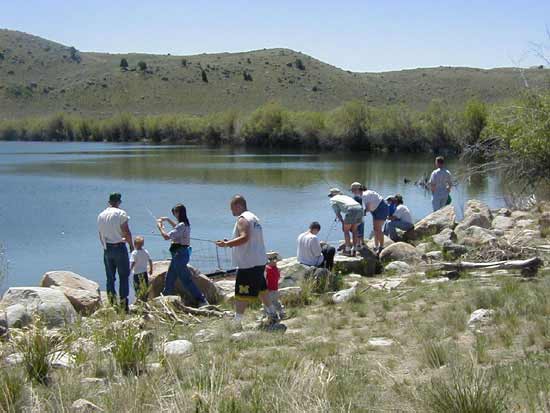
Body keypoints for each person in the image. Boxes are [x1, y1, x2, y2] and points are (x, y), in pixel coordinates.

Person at [216, 195, 278, 326]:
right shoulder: (254, 218)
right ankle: (272, 313)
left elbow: (245, 238)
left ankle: (237, 322)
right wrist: (231, 242)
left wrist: (227, 244)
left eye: (232, 208)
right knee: (262, 289)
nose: (231, 211)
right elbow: (249, 239)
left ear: (239, 205)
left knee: (241, 292)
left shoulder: (242, 219)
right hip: (259, 261)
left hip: (248, 263)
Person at [156, 203, 208, 307]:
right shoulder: (185, 224)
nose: (174, 215)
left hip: (179, 255)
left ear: (179, 213)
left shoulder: (181, 225)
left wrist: (160, 227)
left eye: (174, 212)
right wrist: (167, 219)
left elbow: (166, 236)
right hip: (179, 254)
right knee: (170, 277)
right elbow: (176, 227)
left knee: (186, 279)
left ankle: (201, 300)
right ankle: (166, 297)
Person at [97, 192, 134, 312]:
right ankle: (123, 305)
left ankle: (112, 304)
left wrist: (105, 247)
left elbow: (100, 234)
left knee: (110, 278)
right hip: (119, 247)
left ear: (109, 202)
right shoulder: (121, 213)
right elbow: (126, 231)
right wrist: (131, 246)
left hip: (107, 248)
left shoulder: (101, 215)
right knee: (123, 276)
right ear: (119, 202)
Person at [328, 188, 363, 256]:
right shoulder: (345, 196)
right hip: (360, 208)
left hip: (351, 210)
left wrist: (342, 223)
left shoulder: (333, 200)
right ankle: (354, 249)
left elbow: (338, 214)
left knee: (346, 231)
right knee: (354, 230)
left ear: (332, 195)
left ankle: (348, 250)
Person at [360, 185, 389, 254]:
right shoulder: (367, 193)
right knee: (375, 228)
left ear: (359, 190)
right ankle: (376, 246)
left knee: (378, 229)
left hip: (380, 209)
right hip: (376, 209)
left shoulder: (365, 195)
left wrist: (362, 213)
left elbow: (368, 208)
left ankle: (381, 247)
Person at [129, 235, 153, 302]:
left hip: (137, 273)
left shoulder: (134, 253)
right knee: (145, 286)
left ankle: (139, 300)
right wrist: (151, 269)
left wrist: (130, 270)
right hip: (144, 272)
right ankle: (145, 299)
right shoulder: (145, 251)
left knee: (137, 287)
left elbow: (133, 262)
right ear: (143, 244)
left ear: (134, 244)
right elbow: (150, 260)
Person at [265, 252, 285, 320]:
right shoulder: (276, 269)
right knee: (276, 302)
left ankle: (271, 316)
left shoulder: (267, 269)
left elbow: (265, 279)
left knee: (268, 303)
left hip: (269, 290)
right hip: (275, 289)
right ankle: (282, 313)